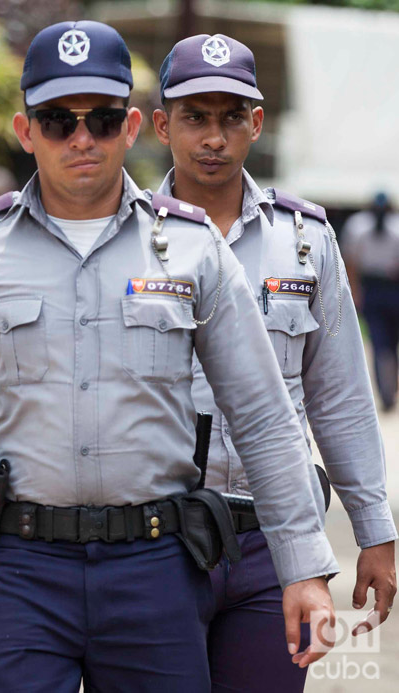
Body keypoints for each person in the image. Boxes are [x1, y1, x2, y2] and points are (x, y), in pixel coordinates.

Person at [0, 21, 338, 691]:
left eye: (102, 119)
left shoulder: (194, 250)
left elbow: (262, 417)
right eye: (58, 120)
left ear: (133, 125)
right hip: (19, 571)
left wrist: (304, 568)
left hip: (156, 568)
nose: (81, 139)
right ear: (26, 131)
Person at [151, 33, 398, 691]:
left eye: (231, 117)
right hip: (151, 544)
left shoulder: (305, 242)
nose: (214, 137)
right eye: (195, 117)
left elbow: (340, 396)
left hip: (272, 542)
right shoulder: (125, 240)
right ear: (160, 125)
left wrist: (375, 531)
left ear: (255, 124)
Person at [343, 192, 399, 411]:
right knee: (378, 343)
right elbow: (351, 263)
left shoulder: (394, 227)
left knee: (390, 344)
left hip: (393, 288)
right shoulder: (358, 226)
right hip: (373, 288)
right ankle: (386, 393)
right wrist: (354, 293)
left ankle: (390, 386)